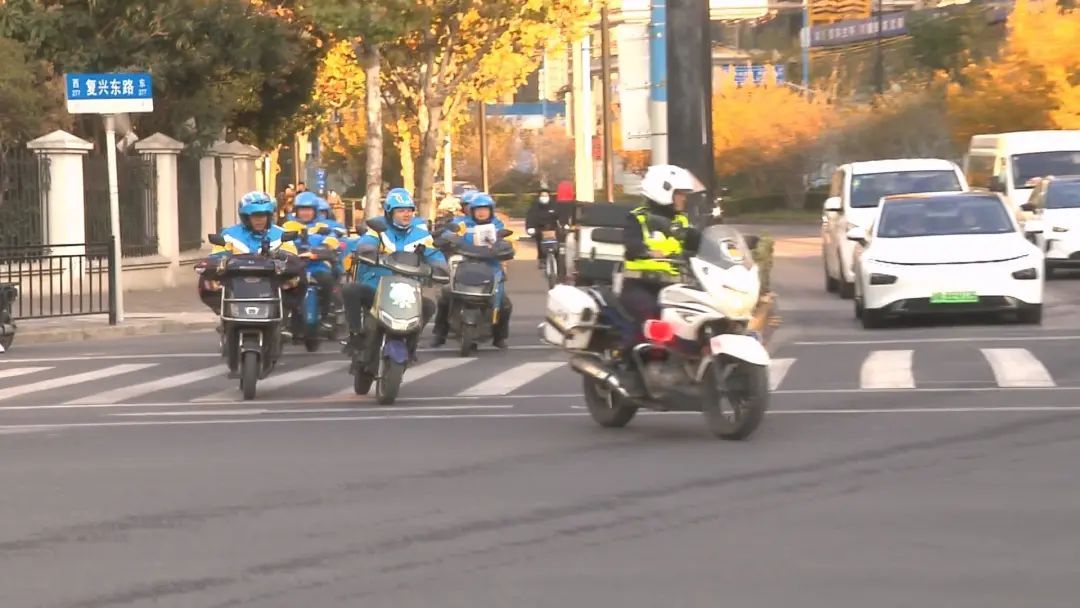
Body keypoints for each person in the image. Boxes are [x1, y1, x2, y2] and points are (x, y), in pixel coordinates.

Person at [341, 189, 446, 358]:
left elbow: (434, 253)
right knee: (350, 290)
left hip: (407, 292)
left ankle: (411, 344)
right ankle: (355, 335)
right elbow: (366, 243)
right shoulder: (378, 230)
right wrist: (367, 250)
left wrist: (440, 266)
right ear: (389, 213)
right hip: (377, 289)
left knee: (428, 305)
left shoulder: (421, 234)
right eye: (401, 210)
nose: (406, 214)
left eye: (409, 210)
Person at [618, 165, 701, 356]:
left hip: (675, 287)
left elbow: (699, 242)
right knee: (650, 315)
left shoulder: (681, 221)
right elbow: (631, 245)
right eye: (680, 194)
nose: (684, 198)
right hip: (641, 285)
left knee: (692, 316)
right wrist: (648, 251)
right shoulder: (638, 218)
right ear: (663, 190)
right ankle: (627, 359)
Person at [198, 192, 305, 315]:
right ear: (245, 217)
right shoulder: (229, 234)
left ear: (269, 216)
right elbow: (216, 256)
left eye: (263, 215)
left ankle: (286, 312)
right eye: (255, 216)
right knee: (206, 278)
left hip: (272, 282)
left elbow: (292, 258)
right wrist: (219, 261)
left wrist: (282, 256)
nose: (259, 220)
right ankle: (223, 309)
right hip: (236, 283)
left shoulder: (281, 234)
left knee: (299, 276)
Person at [431, 193, 514, 349]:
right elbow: (448, 235)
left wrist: (503, 247)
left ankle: (499, 337)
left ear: (491, 210)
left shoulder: (497, 225)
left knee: (504, 304)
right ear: (471, 210)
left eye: (485, 209)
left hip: (491, 268)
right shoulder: (461, 223)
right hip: (465, 266)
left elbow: (508, 243)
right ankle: (440, 334)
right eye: (477, 209)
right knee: (445, 297)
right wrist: (446, 238)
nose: (481, 212)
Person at [525, 187, 568, 269]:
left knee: (558, 243)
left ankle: (557, 260)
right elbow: (530, 218)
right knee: (540, 242)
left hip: (553, 228)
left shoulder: (554, 206)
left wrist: (564, 224)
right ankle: (542, 259)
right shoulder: (534, 207)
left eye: (546, 195)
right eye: (542, 196)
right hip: (540, 229)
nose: (544, 197)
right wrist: (530, 228)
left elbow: (561, 216)